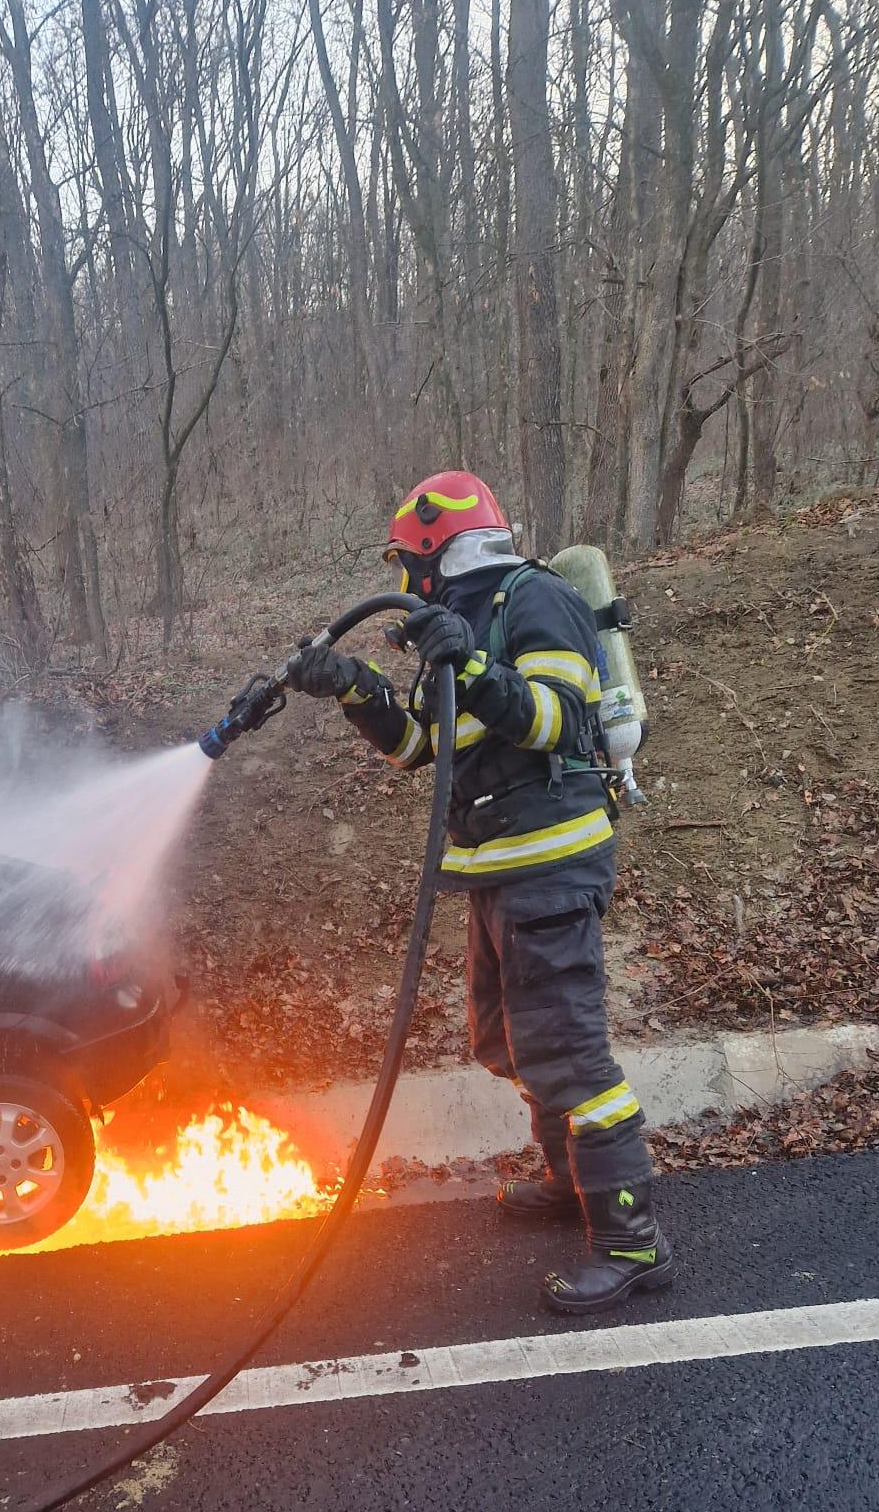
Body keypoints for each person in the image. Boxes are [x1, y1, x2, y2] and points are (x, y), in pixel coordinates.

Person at [288, 470, 674, 1314]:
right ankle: (568, 1178)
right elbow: (426, 748)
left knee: (569, 1052)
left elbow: (554, 719)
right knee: (507, 1041)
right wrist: (357, 688)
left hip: (551, 860)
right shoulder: (456, 627)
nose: (401, 583)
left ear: (437, 551)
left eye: (407, 564)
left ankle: (630, 1239)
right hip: (498, 870)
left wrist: (472, 662)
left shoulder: (533, 602)